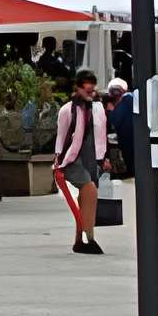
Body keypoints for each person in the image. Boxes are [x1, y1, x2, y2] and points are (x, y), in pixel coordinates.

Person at [53, 71, 111, 256]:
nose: (91, 94)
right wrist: (58, 161)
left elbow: (102, 134)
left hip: (92, 156)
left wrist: (105, 157)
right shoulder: (67, 110)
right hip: (72, 158)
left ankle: (80, 240)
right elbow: (61, 137)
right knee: (89, 190)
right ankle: (89, 238)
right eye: (87, 90)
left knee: (86, 197)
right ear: (77, 88)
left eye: (92, 90)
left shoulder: (98, 108)